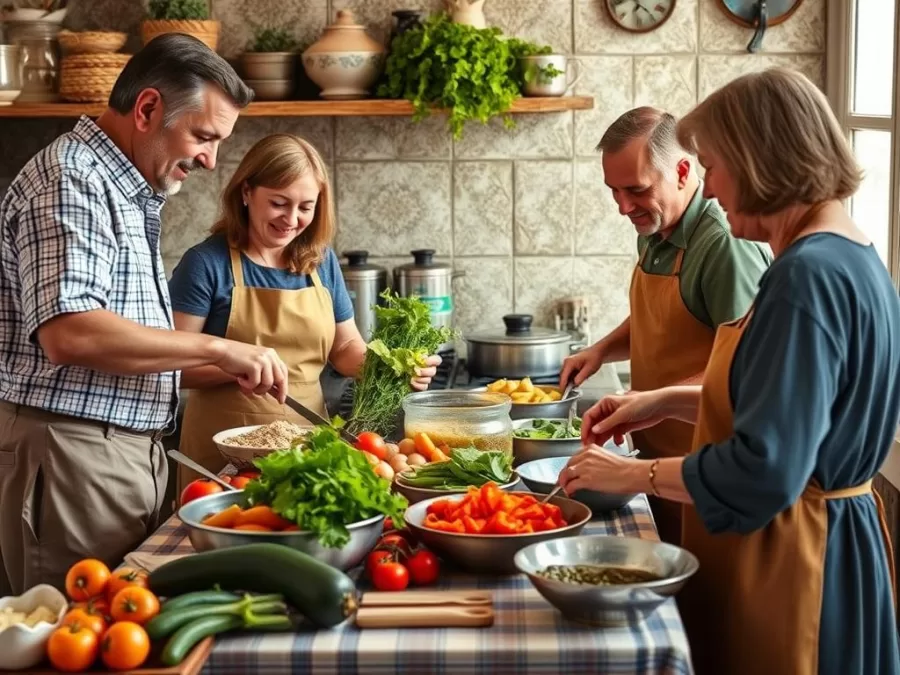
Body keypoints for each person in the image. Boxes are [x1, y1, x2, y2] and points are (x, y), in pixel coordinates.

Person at [561, 68, 900, 675]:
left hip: (802, 560)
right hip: (825, 541)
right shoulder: (845, 253)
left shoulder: (806, 278)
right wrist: (661, 403)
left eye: (712, 167)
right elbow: (782, 408)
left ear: (760, 161)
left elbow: (764, 469)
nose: (710, 191)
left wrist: (633, 473)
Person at [0, 34, 294, 596]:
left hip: (119, 452)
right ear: (148, 109)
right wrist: (219, 347)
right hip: (73, 455)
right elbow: (71, 332)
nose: (210, 160)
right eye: (204, 136)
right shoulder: (72, 179)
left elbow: (113, 335)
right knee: (76, 639)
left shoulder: (122, 189)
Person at [167, 133, 441, 492]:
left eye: (306, 207)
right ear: (246, 192)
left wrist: (394, 368)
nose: (292, 219)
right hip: (226, 458)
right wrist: (235, 367)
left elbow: (344, 351)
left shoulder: (320, 263)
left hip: (308, 446)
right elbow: (172, 367)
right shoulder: (206, 263)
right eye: (279, 203)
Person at [559, 106, 772, 544]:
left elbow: (748, 365)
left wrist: (655, 400)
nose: (622, 207)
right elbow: (660, 318)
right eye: (613, 191)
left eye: (635, 189)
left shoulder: (724, 247)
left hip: (704, 472)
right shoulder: (655, 225)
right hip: (653, 459)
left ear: (680, 170)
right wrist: (599, 350)